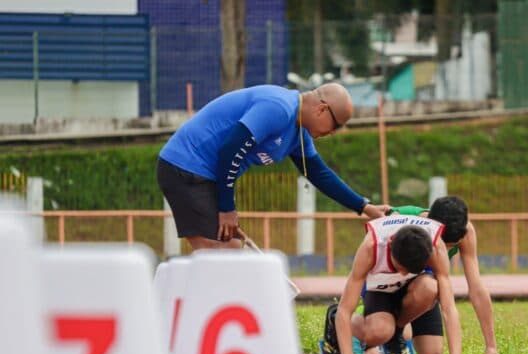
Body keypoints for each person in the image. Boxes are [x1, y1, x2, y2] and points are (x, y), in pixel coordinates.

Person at [156, 83, 388, 250]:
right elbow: (231, 150)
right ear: (321, 110)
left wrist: (364, 206)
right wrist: (227, 208)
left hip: (207, 175)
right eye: (336, 125)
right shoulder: (279, 108)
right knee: (219, 251)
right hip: (186, 166)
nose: (333, 133)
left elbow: (319, 174)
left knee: (231, 251)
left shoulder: (298, 134)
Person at [321, 214, 476, 354]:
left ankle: (396, 334)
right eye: (399, 267)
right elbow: (346, 308)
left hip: (413, 288)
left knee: (430, 287)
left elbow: (449, 308)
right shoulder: (372, 246)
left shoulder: (436, 247)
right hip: (381, 290)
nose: (402, 273)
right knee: (379, 332)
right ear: (390, 244)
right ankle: (334, 319)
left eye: (409, 270)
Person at [387, 196, 512, 354]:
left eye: (451, 246)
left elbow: (476, 287)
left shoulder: (465, 232)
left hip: (424, 296)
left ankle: (397, 329)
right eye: (441, 243)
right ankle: (372, 333)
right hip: (392, 289)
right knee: (426, 291)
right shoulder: (404, 221)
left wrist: (491, 349)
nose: (443, 250)